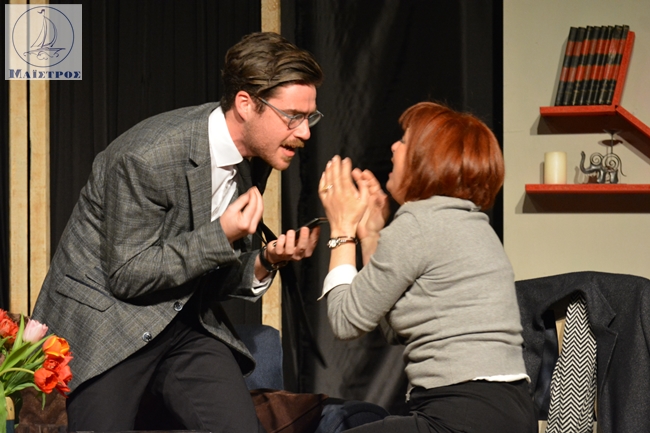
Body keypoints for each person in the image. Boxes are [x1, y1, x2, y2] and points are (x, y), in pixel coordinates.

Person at [32, 32, 324, 432]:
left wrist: (265, 260)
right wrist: (220, 234)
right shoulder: (146, 156)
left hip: (184, 319)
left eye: (310, 117)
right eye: (293, 116)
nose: (305, 132)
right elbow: (128, 275)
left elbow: (203, 269)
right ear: (245, 104)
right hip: (109, 320)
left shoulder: (256, 155)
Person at [317, 102, 536, 433]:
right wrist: (371, 235)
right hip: (509, 411)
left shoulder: (419, 223)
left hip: (462, 413)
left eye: (404, 141)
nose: (394, 147)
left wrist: (342, 228)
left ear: (428, 160)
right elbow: (397, 325)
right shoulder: (470, 223)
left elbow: (345, 320)